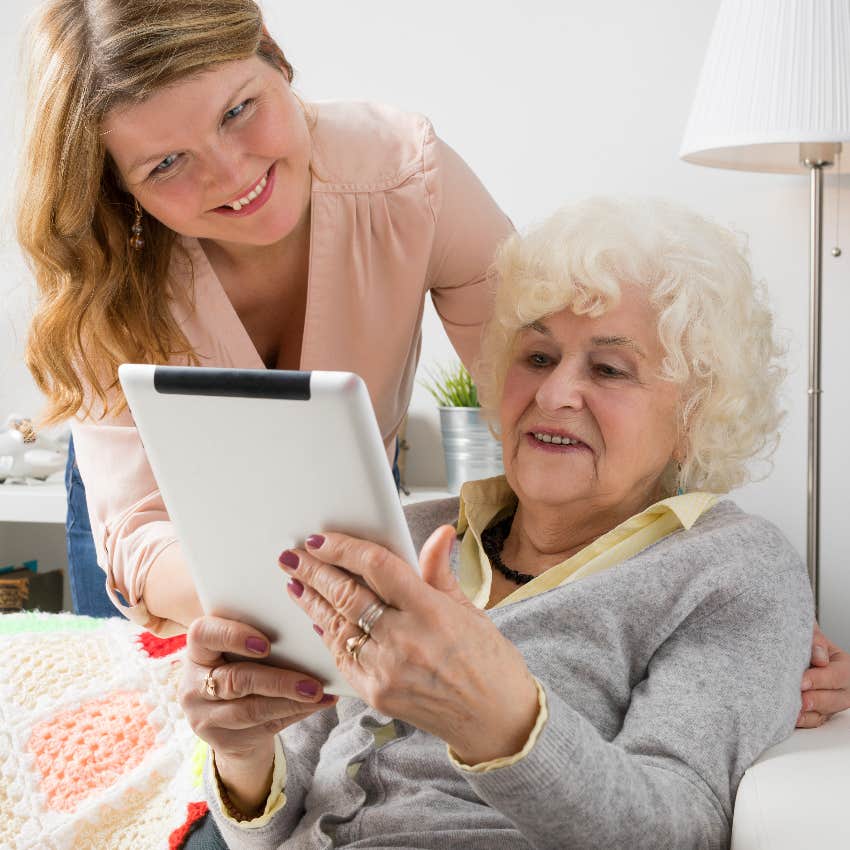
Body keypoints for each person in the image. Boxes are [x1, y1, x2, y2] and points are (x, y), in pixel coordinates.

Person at [179, 198, 816, 849]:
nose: (554, 393)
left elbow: (680, 829)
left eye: (608, 369)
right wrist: (242, 753)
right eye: (537, 357)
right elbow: (265, 831)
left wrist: (500, 718)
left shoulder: (732, 570)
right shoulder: (401, 531)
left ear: (696, 415)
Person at [17, 0, 512, 635]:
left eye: (237, 111)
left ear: (272, 54)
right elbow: (138, 538)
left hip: (344, 502)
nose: (230, 174)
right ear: (120, 189)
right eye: (165, 164)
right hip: (160, 532)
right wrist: (290, 593)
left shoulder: (408, 176)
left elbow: (536, 393)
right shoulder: (101, 271)